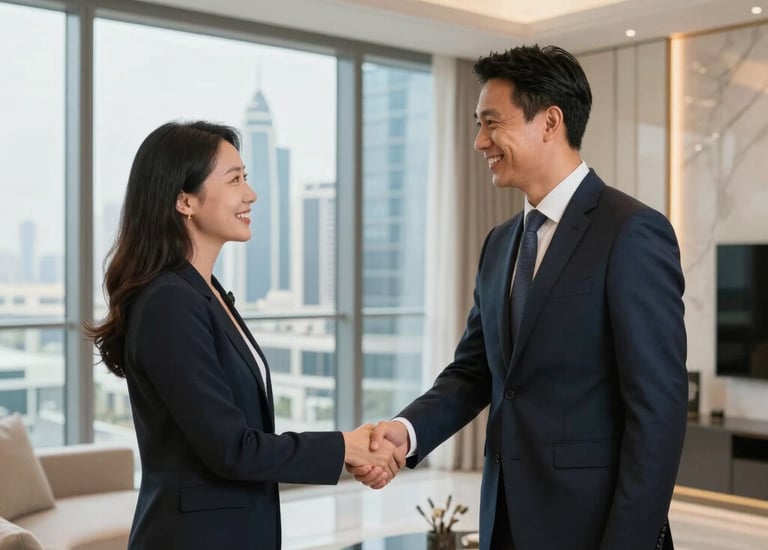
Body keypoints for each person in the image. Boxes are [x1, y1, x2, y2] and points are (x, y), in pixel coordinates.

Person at [351, 45, 688, 550]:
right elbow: (475, 372)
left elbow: (658, 412)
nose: (479, 141)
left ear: (550, 122)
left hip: (593, 526)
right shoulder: (500, 241)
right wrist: (407, 430)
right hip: (505, 518)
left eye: (492, 123)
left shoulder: (632, 232)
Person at [86, 121, 402, 549]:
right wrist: (345, 447)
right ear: (184, 200)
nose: (250, 194)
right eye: (234, 179)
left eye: (246, 177)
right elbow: (230, 447)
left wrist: (350, 449)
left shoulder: (207, 292)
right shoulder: (169, 302)